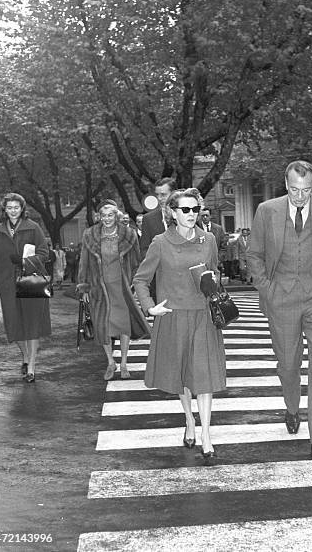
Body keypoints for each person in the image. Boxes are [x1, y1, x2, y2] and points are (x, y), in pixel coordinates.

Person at [248, 160, 312, 465]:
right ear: (286, 183)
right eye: (294, 189)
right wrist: (267, 288)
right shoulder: (267, 210)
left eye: (305, 190)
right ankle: (292, 406)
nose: (299, 195)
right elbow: (254, 255)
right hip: (281, 298)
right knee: (288, 364)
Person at [133, 188, 226, 465]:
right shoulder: (160, 242)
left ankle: (207, 435)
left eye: (195, 209)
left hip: (203, 316)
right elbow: (140, 279)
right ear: (173, 212)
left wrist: (212, 281)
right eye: (185, 210)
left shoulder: (208, 239)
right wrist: (150, 306)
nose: (191, 214)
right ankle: (189, 420)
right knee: (183, 377)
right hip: (173, 316)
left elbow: (216, 271)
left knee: (205, 377)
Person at [77, 200, 150, 381]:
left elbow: (136, 262)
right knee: (103, 326)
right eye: (103, 215)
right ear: (99, 217)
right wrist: (84, 286)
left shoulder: (129, 235)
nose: (107, 219)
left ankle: (124, 364)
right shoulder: (89, 235)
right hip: (98, 287)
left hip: (122, 287)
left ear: (116, 216)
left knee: (123, 325)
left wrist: (134, 283)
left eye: (110, 215)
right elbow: (84, 263)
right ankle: (111, 362)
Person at [0, 193, 52, 382]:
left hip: (30, 283)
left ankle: (31, 366)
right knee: (14, 327)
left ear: (22, 209)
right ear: (4, 210)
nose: (13, 211)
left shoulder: (33, 227)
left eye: (16, 207)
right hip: (7, 286)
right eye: (9, 207)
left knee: (32, 326)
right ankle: (25, 356)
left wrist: (24, 262)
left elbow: (44, 253)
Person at [140, 178, 176, 255]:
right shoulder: (148, 219)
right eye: (157, 195)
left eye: (163, 195)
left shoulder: (186, 215)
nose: (159, 198)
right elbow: (144, 250)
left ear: (173, 194)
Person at [198, 209, 228, 275]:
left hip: (216, 262)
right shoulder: (196, 228)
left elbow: (223, 246)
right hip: (201, 263)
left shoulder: (218, 229)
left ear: (210, 216)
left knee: (216, 283)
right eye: (203, 216)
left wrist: (219, 259)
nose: (205, 217)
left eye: (207, 215)